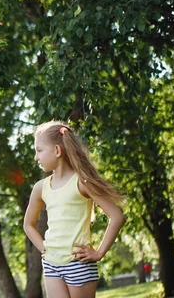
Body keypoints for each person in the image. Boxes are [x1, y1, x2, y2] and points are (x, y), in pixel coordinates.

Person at [23, 121, 125, 298]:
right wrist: (44, 249)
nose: (35, 157)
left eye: (39, 150)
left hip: (78, 263)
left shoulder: (81, 182)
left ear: (57, 150)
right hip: (51, 264)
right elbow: (28, 225)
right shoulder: (40, 188)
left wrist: (99, 252)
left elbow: (117, 217)